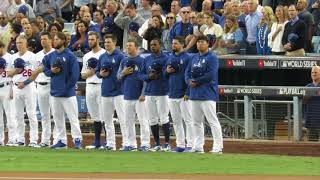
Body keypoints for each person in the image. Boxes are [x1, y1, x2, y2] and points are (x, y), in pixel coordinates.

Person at [42, 32, 82, 149]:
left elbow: (75, 75)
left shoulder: (70, 55)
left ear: (63, 41)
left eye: (57, 39)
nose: (54, 41)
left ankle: (77, 139)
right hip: (54, 92)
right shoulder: (51, 55)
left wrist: (67, 88)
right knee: (58, 118)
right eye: (54, 39)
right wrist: (51, 72)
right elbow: (45, 69)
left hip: (68, 94)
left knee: (73, 118)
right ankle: (61, 140)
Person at [185, 35, 223, 154]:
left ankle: (218, 146)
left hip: (207, 94)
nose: (199, 44)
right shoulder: (194, 57)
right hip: (194, 94)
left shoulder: (212, 57)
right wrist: (188, 81)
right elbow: (186, 72)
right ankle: (198, 146)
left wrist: (197, 81)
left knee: (212, 121)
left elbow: (211, 74)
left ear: (207, 44)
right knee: (196, 122)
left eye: (202, 42)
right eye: (198, 42)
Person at [117, 39, 150, 151]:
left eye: (130, 46)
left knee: (143, 120)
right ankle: (131, 143)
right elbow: (118, 77)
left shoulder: (142, 61)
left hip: (139, 96)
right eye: (126, 46)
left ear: (136, 47)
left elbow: (146, 79)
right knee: (128, 121)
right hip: (127, 94)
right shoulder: (124, 61)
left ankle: (145, 143)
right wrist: (123, 73)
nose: (128, 48)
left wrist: (143, 93)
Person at [96, 34, 126, 150]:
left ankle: (126, 143)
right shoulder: (102, 56)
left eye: (108, 42)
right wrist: (101, 74)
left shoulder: (120, 56)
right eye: (105, 42)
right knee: (107, 120)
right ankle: (110, 144)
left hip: (119, 91)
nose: (106, 44)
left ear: (114, 42)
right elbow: (98, 72)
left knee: (123, 119)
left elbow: (124, 72)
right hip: (105, 91)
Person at [140, 38, 171, 151]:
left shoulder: (166, 58)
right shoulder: (146, 59)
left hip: (162, 92)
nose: (153, 46)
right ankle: (157, 144)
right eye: (151, 45)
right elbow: (141, 75)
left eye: (155, 44)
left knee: (163, 118)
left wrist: (161, 73)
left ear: (160, 45)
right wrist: (149, 77)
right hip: (149, 92)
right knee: (152, 119)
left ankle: (167, 143)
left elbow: (168, 74)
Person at [7, 35, 38, 147]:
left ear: (26, 44)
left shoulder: (32, 56)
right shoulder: (12, 57)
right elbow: (8, 73)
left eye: (21, 42)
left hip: (28, 86)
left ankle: (33, 140)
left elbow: (36, 73)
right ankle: (20, 139)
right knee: (18, 115)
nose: (18, 44)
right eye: (17, 43)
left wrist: (25, 83)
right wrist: (17, 70)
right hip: (16, 87)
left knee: (31, 114)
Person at [165, 36, 193, 152]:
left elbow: (190, 76)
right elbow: (164, 75)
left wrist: (188, 92)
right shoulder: (170, 57)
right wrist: (166, 72)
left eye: (176, 43)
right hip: (172, 93)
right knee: (176, 121)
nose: (173, 45)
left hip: (183, 94)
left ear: (182, 44)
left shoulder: (187, 58)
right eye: (172, 43)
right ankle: (180, 144)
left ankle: (191, 145)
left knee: (188, 120)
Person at [81, 31, 106, 149]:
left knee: (104, 115)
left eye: (92, 39)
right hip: (89, 85)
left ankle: (108, 142)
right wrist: (92, 71)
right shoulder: (86, 56)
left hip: (101, 84)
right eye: (89, 39)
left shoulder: (104, 53)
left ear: (98, 39)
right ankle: (97, 142)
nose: (90, 41)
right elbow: (82, 75)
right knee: (95, 115)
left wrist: (94, 71)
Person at [34, 31, 55, 147]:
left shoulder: (55, 53)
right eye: (41, 39)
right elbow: (35, 72)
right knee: (44, 115)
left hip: (52, 85)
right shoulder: (37, 55)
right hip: (39, 85)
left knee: (56, 115)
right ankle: (45, 141)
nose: (43, 41)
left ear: (50, 40)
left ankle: (57, 140)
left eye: (45, 39)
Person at [0, 41, 16, 146]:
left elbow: (14, 74)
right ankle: (0, 140)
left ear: (2, 47)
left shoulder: (10, 57)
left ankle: (12, 139)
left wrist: (11, 89)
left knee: (10, 115)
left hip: (7, 86)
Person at [304, 65, 320, 141]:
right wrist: (307, 96)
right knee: (312, 144)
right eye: (312, 72)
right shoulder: (307, 87)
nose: (314, 74)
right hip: (312, 121)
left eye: (316, 72)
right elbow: (303, 102)